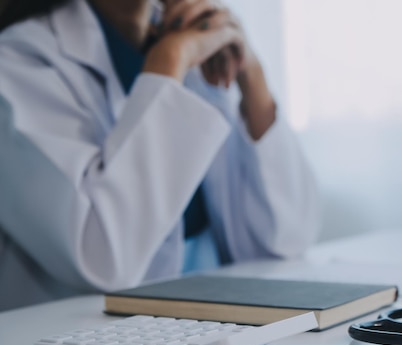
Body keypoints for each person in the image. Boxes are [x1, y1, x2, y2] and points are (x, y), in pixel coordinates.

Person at [0, 0, 320, 311]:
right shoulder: (18, 60)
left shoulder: (197, 37)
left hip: (214, 326)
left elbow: (288, 240)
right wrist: (168, 63)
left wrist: (253, 79)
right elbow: (104, 259)